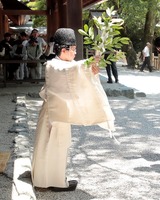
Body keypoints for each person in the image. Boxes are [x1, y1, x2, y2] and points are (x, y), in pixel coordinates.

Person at [31, 28, 115, 191]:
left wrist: (91, 71)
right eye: (74, 50)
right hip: (53, 115)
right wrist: (89, 64)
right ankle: (53, 181)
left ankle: (49, 178)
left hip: (58, 113)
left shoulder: (63, 64)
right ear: (64, 50)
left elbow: (75, 72)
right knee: (54, 145)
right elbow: (72, 71)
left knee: (56, 146)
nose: (75, 54)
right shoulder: (54, 65)